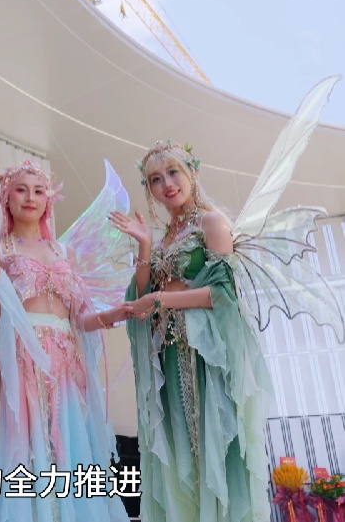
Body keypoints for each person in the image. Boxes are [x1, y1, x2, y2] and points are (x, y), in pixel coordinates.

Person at [110, 142, 273, 522]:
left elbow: (223, 294)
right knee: (178, 454)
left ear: (192, 173)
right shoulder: (163, 237)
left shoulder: (211, 223)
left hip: (204, 355)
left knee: (209, 448)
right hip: (167, 353)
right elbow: (141, 293)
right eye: (155, 179)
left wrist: (162, 300)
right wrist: (145, 245)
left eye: (173, 172)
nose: (167, 184)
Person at [0, 159, 131, 522]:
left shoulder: (64, 253)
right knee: (26, 452)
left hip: (64, 365)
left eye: (39, 191)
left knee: (69, 452)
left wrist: (112, 315)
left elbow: (78, 318)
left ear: (48, 199)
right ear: (6, 198)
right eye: (21, 190)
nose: (30, 197)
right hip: (22, 361)